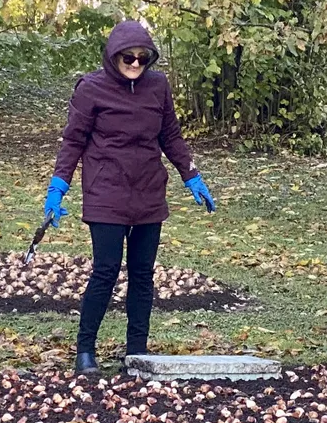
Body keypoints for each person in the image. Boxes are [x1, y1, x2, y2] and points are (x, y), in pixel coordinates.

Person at [42, 20, 215, 377]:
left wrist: (191, 175)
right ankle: (85, 349)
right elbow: (73, 141)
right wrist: (59, 186)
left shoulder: (158, 86)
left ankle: (136, 351)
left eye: (142, 58)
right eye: (129, 57)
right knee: (105, 271)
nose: (136, 64)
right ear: (113, 56)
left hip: (149, 190)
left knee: (142, 274)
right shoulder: (91, 88)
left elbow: (171, 135)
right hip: (106, 191)